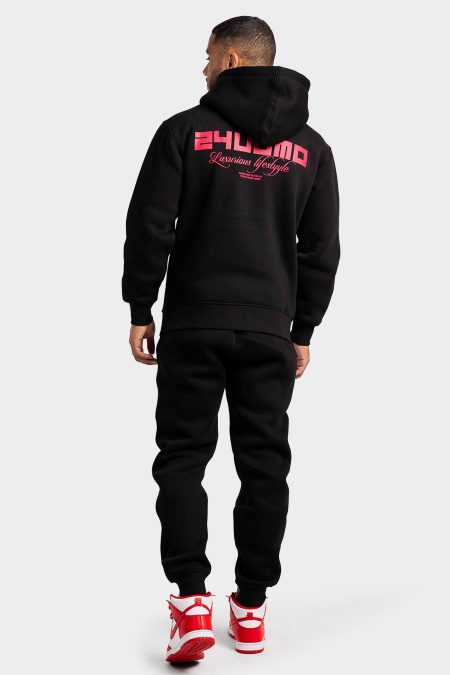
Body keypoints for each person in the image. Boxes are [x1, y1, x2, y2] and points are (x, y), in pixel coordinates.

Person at [121, 15, 340, 662]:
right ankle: (250, 610)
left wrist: (141, 306)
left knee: (183, 458)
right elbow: (320, 248)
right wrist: (303, 328)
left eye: (210, 55)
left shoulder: (184, 131)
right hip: (270, 329)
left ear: (234, 59)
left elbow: (151, 223)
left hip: (194, 324)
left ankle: (191, 603)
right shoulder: (312, 148)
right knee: (264, 465)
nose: (204, 67)